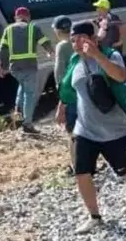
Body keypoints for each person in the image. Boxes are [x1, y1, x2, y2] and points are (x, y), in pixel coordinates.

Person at [56, 21, 126, 235]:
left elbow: (120, 76)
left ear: (93, 39)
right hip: (84, 129)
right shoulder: (75, 61)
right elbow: (69, 86)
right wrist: (62, 106)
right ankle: (94, 216)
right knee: (81, 172)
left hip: (113, 130)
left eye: (80, 39)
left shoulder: (110, 55)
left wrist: (96, 55)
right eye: (73, 40)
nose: (76, 44)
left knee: (125, 171)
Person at [0, 7, 53, 134]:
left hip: (15, 68)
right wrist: (50, 51)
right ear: (28, 17)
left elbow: (3, 48)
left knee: (22, 86)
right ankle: (27, 123)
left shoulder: (8, 29)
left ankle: (17, 110)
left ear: (16, 18)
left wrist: (0, 65)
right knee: (29, 94)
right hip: (29, 65)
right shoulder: (33, 28)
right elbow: (44, 42)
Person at [51, 15, 76, 174]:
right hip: (84, 93)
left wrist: (61, 102)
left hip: (71, 95)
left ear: (58, 31)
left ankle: (76, 165)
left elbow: (61, 76)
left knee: (73, 132)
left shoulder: (62, 46)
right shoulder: (79, 42)